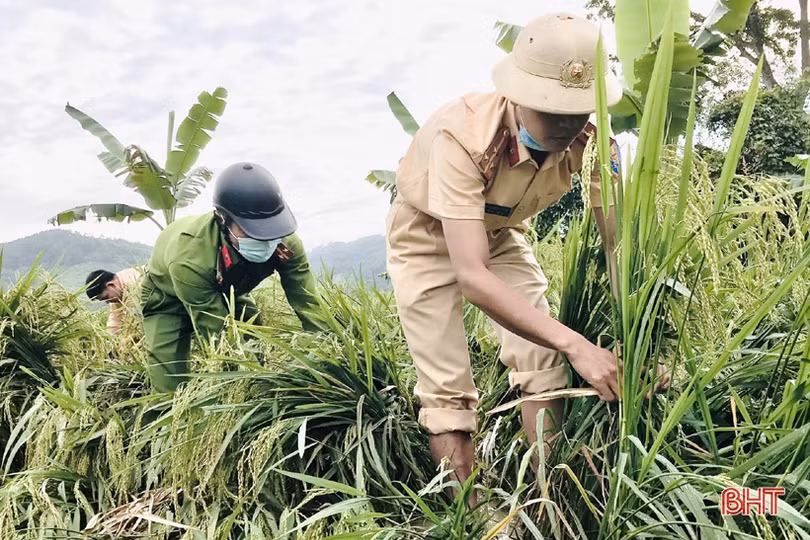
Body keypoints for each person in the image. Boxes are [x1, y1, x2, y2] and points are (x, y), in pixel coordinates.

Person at [385, 13, 669, 497]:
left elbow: (618, 245)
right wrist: (579, 346)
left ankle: (546, 501)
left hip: (499, 231)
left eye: (576, 110)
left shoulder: (595, 144)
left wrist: (640, 340)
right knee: (447, 387)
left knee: (542, 356)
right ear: (518, 94)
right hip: (425, 232)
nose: (565, 124)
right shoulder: (464, 137)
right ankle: (471, 515)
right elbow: (472, 275)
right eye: (551, 109)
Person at [140, 162, 322, 393]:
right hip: (167, 297)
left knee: (252, 337)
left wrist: (328, 350)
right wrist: (243, 379)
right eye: (249, 230)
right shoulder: (189, 258)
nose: (264, 238)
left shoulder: (285, 242)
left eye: (270, 227)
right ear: (222, 219)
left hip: (228, 289)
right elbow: (217, 334)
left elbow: (308, 302)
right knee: (168, 378)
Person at [85, 267, 142, 335]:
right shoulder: (118, 289)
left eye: (106, 297)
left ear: (111, 285)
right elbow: (116, 319)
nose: (107, 302)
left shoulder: (137, 283)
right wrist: (109, 338)